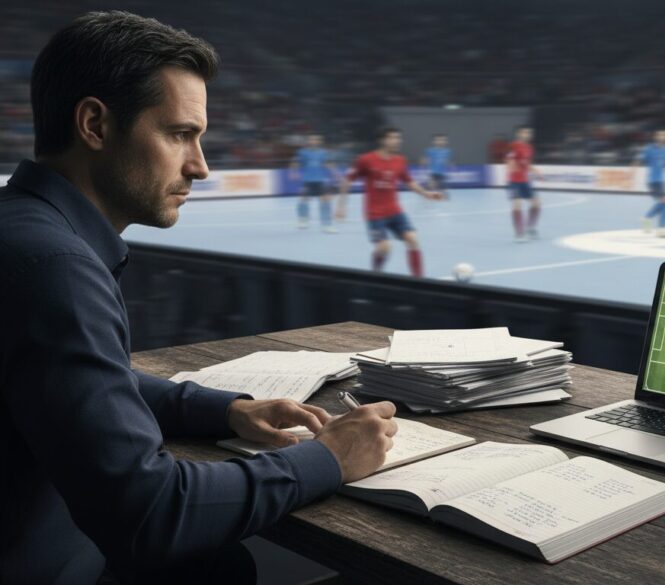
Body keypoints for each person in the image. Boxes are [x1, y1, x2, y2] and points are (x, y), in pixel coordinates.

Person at [0, 12, 398, 585]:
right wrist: (329, 457)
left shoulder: (21, 231)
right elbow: (149, 514)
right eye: (179, 134)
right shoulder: (56, 268)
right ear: (94, 124)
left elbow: (70, 379)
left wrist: (225, 408)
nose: (202, 166)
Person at [335, 127, 443, 276]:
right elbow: (347, 181)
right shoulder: (365, 160)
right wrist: (341, 206)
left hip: (395, 211)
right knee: (385, 248)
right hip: (375, 214)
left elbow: (409, 181)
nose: (397, 141)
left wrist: (426, 194)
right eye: (392, 137)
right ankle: (376, 273)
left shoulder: (400, 160)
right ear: (382, 140)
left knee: (412, 239)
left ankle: (419, 280)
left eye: (398, 138)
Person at [631, 129, 665, 238]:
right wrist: (631, 174)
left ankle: (650, 220)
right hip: (653, 181)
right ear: (656, 137)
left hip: (662, 181)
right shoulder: (649, 149)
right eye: (662, 135)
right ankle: (658, 227)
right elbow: (638, 160)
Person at [290, 133, 339, 232]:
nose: (313, 141)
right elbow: (295, 162)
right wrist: (293, 172)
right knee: (303, 199)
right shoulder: (302, 152)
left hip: (320, 180)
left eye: (316, 140)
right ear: (308, 141)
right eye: (311, 139)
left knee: (325, 200)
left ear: (319, 142)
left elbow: (328, 163)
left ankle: (327, 225)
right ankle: (303, 220)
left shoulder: (323, 152)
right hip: (307, 180)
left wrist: (335, 173)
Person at [507, 125, 544, 242]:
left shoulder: (529, 148)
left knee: (537, 203)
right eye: (525, 132)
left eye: (529, 133)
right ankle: (519, 234)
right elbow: (510, 160)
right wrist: (512, 168)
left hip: (525, 181)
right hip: (514, 181)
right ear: (519, 134)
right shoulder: (514, 145)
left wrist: (536, 172)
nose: (528, 135)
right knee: (517, 205)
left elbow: (527, 164)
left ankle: (531, 228)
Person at [421, 133, 453, 198]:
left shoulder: (448, 151)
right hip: (432, 174)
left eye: (442, 140)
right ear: (434, 141)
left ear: (445, 141)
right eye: (438, 140)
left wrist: (449, 165)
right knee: (429, 190)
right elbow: (425, 161)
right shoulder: (430, 151)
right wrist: (424, 162)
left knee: (444, 193)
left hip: (442, 174)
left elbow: (447, 163)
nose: (440, 142)